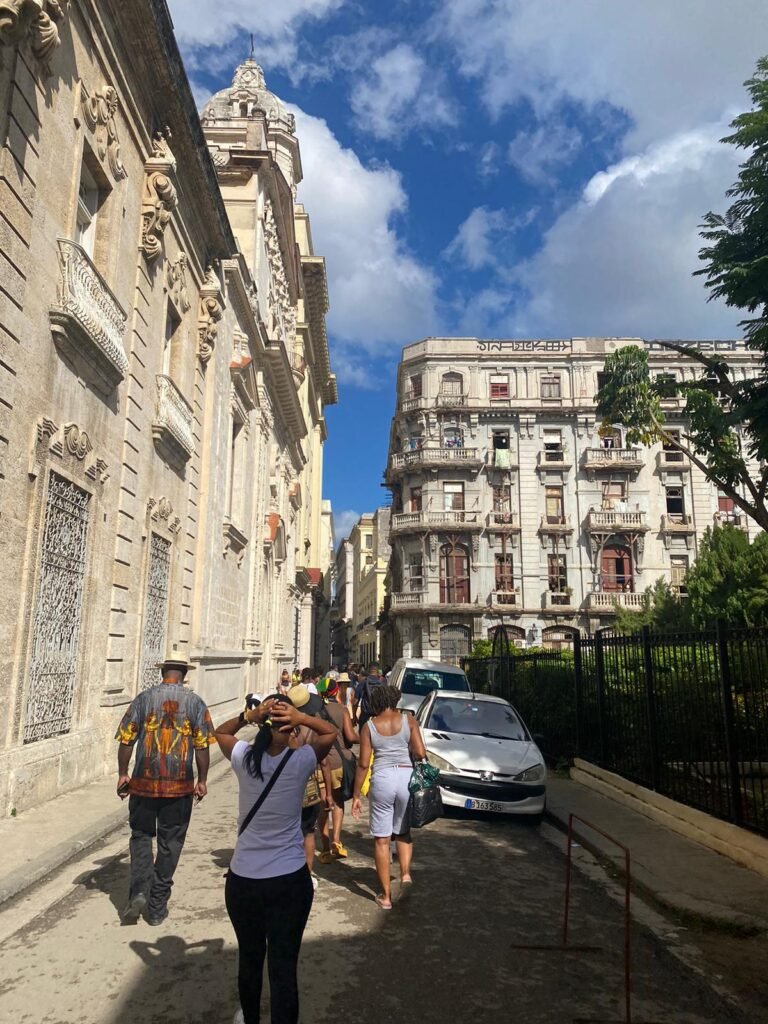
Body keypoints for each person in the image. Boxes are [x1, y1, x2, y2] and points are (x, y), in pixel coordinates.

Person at [215, 693, 338, 1024]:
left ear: (262, 729)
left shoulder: (244, 758)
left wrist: (249, 715)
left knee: (250, 959)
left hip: (244, 880)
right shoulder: (300, 763)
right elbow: (330, 733)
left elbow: (220, 734)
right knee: (284, 967)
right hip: (289, 880)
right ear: (292, 732)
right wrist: (301, 718)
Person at [115, 648, 215, 925]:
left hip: (143, 784)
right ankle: (157, 904)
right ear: (183, 674)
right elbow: (202, 746)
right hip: (179, 786)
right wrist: (203, 780)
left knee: (140, 835)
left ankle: (138, 891)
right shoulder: (195, 703)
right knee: (171, 843)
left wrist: (123, 774)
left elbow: (126, 740)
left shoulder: (144, 699)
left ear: (162, 672)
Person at [352, 685, 427, 910]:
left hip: (382, 778)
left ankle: (386, 897)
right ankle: (405, 875)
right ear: (395, 700)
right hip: (405, 776)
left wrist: (356, 795)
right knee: (403, 832)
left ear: (376, 702)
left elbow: (364, 763)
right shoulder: (409, 720)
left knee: (382, 840)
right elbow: (421, 753)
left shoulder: (369, 726)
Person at [287, 683, 333, 887]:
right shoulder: (312, 730)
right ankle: (306, 874)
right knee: (308, 832)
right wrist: (329, 793)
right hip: (309, 786)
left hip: (285, 785)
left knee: (287, 831)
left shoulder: (285, 727)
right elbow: (324, 762)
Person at [316, 677, 358, 863]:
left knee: (323, 803)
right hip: (338, 763)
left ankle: (324, 848)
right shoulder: (342, 710)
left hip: (319, 763)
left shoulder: (314, 712)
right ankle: (336, 841)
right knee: (338, 802)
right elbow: (350, 736)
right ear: (335, 692)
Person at [355, 662, 387, 730]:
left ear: (368, 670)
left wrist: (354, 715)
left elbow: (355, 701)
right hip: (379, 715)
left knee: (363, 736)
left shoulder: (363, 683)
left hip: (365, 715)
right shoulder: (383, 683)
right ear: (378, 671)